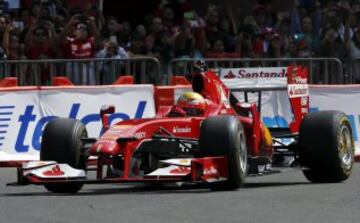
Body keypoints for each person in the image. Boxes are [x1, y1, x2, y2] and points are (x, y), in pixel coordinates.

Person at [60, 14, 100, 85]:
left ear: (87, 33)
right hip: (73, 76)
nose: (82, 31)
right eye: (79, 29)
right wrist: (69, 24)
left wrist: (93, 25)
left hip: (88, 77)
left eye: (84, 29)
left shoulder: (90, 41)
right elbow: (61, 38)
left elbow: (97, 38)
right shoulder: (70, 41)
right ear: (74, 32)